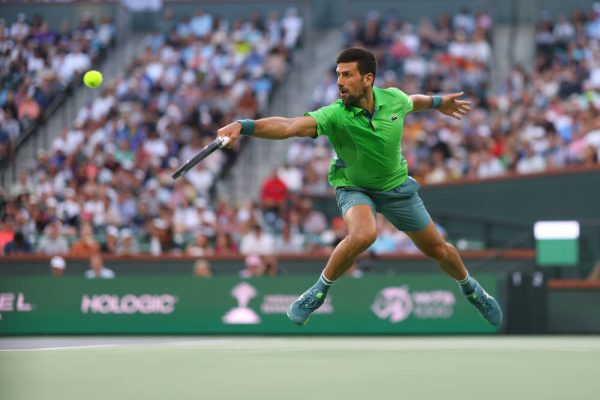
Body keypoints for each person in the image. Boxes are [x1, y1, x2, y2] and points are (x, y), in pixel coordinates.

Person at [217, 47, 502, 326]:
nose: (339, 82)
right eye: (338, 75)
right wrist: (245, 125)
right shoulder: (334, 114)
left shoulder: (393, 99)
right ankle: (317, 292)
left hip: (396, 187)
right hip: (354, 187)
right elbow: (290, 125)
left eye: (347, 75)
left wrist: (439, 102)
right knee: (364, 234)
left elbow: (413, 101)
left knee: (439, 249)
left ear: (368, 79)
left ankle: (472, 290)